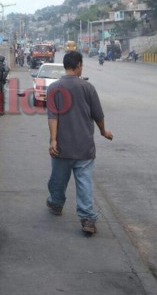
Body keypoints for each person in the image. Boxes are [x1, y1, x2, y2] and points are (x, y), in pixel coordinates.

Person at [46, 51, 113, 234]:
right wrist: (103, 131)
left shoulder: (53, 88)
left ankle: (56, 204)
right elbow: (98, 115)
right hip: (84, 147)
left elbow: (53, 116)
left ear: (65, 66)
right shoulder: (88, 88)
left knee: (58, 180)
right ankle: (87, 219)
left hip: (62, 147)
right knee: (84, 183)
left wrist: (53, 140)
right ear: (79, 66)